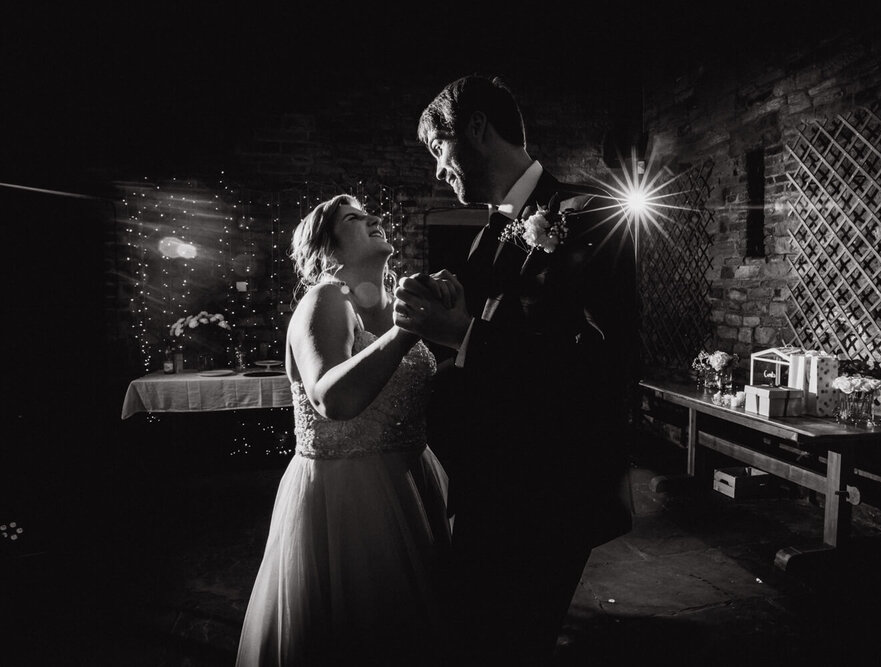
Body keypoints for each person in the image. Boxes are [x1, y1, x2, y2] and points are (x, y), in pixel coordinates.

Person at [394, 74, 637, 666]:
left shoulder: (589, 212)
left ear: (476, 129)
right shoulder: (490, 235)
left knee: (509, 641)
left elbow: (606, 360)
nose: (437, 171)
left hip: (549, 486)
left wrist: (465, 333)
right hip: (490, 481)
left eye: (437, 151)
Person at [236, 194, 452, 666]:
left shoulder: (395, 303)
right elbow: (333, 398)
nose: (373, 218)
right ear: (328, 251)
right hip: (348, 495)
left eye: (369, 212)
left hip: (413, 477)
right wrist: (408, 330)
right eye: (354, 218)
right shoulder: (326, 299)